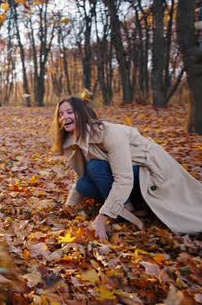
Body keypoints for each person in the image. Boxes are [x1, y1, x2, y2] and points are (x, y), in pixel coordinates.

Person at [52, 96, 202, 240]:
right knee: (83, 185)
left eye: (70, 112)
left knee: (95, 167)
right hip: (129, 175)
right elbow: (80, 175)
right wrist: (68, 206)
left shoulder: (110, 133)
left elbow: (123, 179)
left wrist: (102, 217)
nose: (64, 117)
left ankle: (124, 209)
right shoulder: (76, 139)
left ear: (82, 114)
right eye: (61, 114)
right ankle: (127, 205)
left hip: (151, 173)